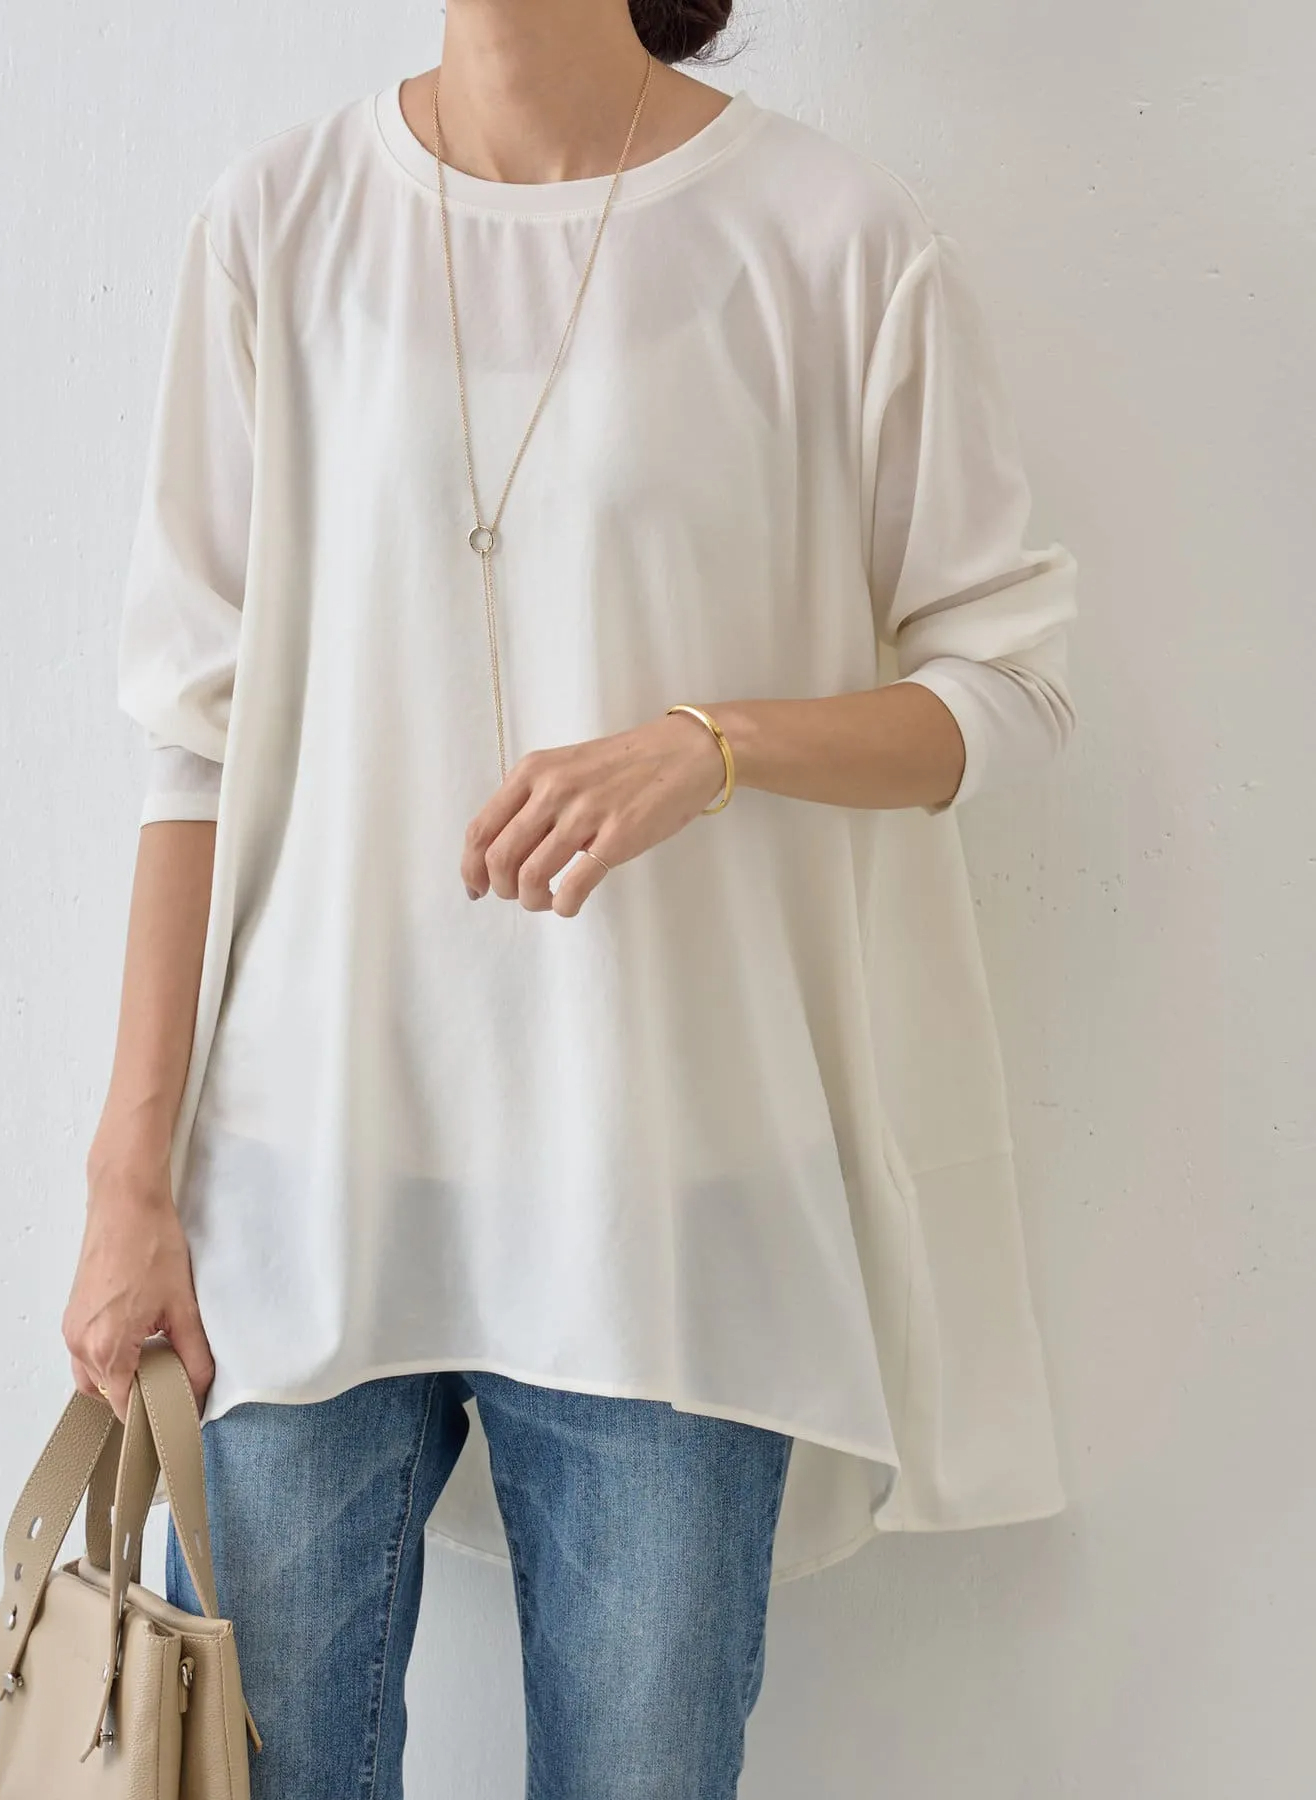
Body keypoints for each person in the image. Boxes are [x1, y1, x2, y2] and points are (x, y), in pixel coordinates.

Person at [63, 2, 1078, 1794]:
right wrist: (127, 1180)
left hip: (672, 1198)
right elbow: (192, 747)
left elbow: (1006, 689)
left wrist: (715, 747)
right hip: (304, 1177)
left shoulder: (828, 238)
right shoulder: (280, 222)